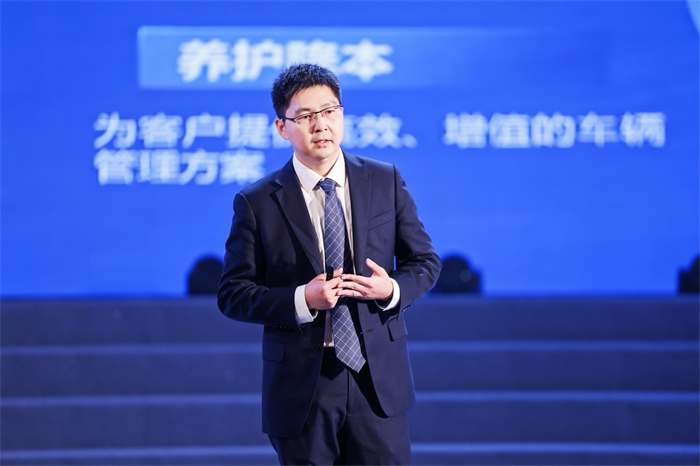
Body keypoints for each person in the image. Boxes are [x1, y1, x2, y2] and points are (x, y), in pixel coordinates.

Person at [218, 63, 441, 465]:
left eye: (329, 111)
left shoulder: (385, 180)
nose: (320, 124)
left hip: (377, 379)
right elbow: (233, 294)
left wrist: (391, 290)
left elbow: (424, 261)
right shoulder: (256, 202)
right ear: (282, 127)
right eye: (305, 116)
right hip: (303, 384)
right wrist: (302, 299)